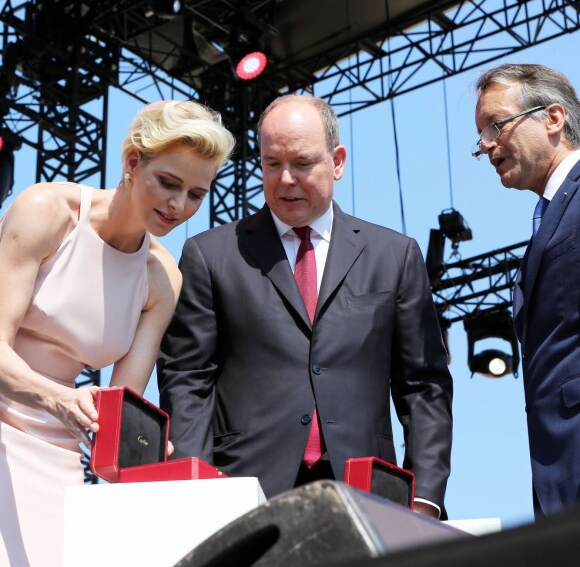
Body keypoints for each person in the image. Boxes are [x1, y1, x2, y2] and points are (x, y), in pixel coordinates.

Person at [157, 94, 453, 519]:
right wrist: (198, 486)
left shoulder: (395, 255)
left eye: (302, 163)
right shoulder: (210, 255)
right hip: (243, 493)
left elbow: (424, 387)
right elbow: (187, 379)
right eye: (272, 164)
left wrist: (424, 496)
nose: (285, 180)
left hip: (368, 496)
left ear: (337, 161)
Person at [0, 99, 235, 566]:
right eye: (168, 182)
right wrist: (60, 399)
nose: (177, 205)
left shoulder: (162, 279)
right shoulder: (47, 211)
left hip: (59, 456)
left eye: (195, 194)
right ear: (131, 162)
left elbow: (120, 403)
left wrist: (145, 446)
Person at [473, 63, 580, 517]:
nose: (485, 145)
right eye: (480, 134)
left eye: (496, 125)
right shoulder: (548, 215)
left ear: (553, 118)